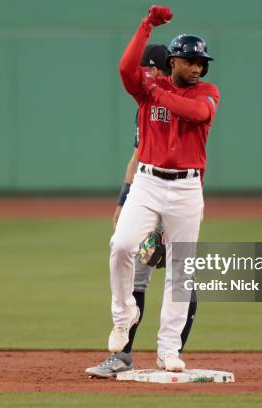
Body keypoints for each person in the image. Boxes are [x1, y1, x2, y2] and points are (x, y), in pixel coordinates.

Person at [103, 5, 220, 373]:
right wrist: (147, 25)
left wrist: (155, 92)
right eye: (189, 61)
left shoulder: (207, 91)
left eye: (201, 62)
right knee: (121, 245)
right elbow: (125, 69)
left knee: (180, 272)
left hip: (187, 188)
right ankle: (124, 316)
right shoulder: (150, 87)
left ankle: (169, 349)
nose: (197, 67)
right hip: (148, 182)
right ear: (173, 61)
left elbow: (198, 114)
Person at [86, 44, 198, 378]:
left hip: (181, 192)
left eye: (152, 68)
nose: (147, 74)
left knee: (181, 272)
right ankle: (123, 355)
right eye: (145, 69)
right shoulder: (145, 103)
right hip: (148, 189)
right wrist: (125, 198)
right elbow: (139, 155)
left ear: (167, 68)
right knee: (134, 268)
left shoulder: (181, 98)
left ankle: (170, 350)